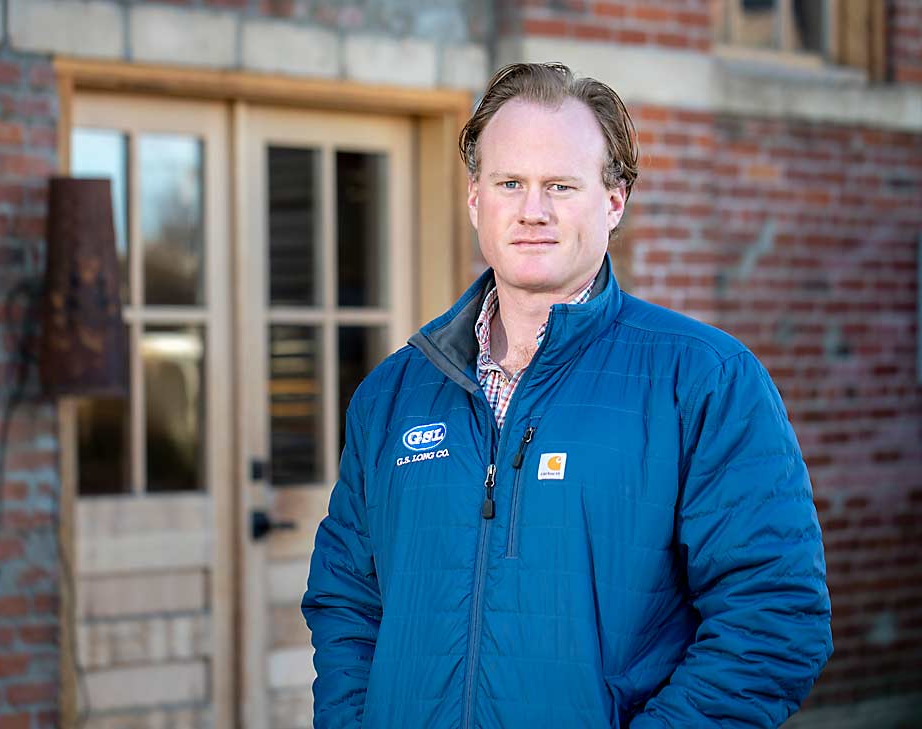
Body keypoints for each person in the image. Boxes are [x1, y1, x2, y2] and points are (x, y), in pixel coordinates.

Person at [302, 62, 832, 728]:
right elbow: (347, 599)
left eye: (560, 185)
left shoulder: (704, 380)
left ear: (614, 201)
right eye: (510, 183)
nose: (533, 210)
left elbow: (774, 615)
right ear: (475, 199)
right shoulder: (393, 394)